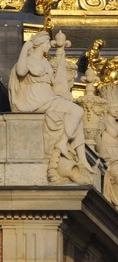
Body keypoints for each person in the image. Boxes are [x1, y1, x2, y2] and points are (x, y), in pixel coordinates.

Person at [7, 30, 92, 182]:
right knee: (76, 110)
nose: (49, 45)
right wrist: (25, 48)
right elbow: (20, 71)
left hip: (49, 97)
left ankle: (75, 152)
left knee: (77, 113)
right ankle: (66, 146)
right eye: (47, 43)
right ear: (39, 44)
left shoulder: (45, 62)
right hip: (36, 100)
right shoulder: (29, 60)